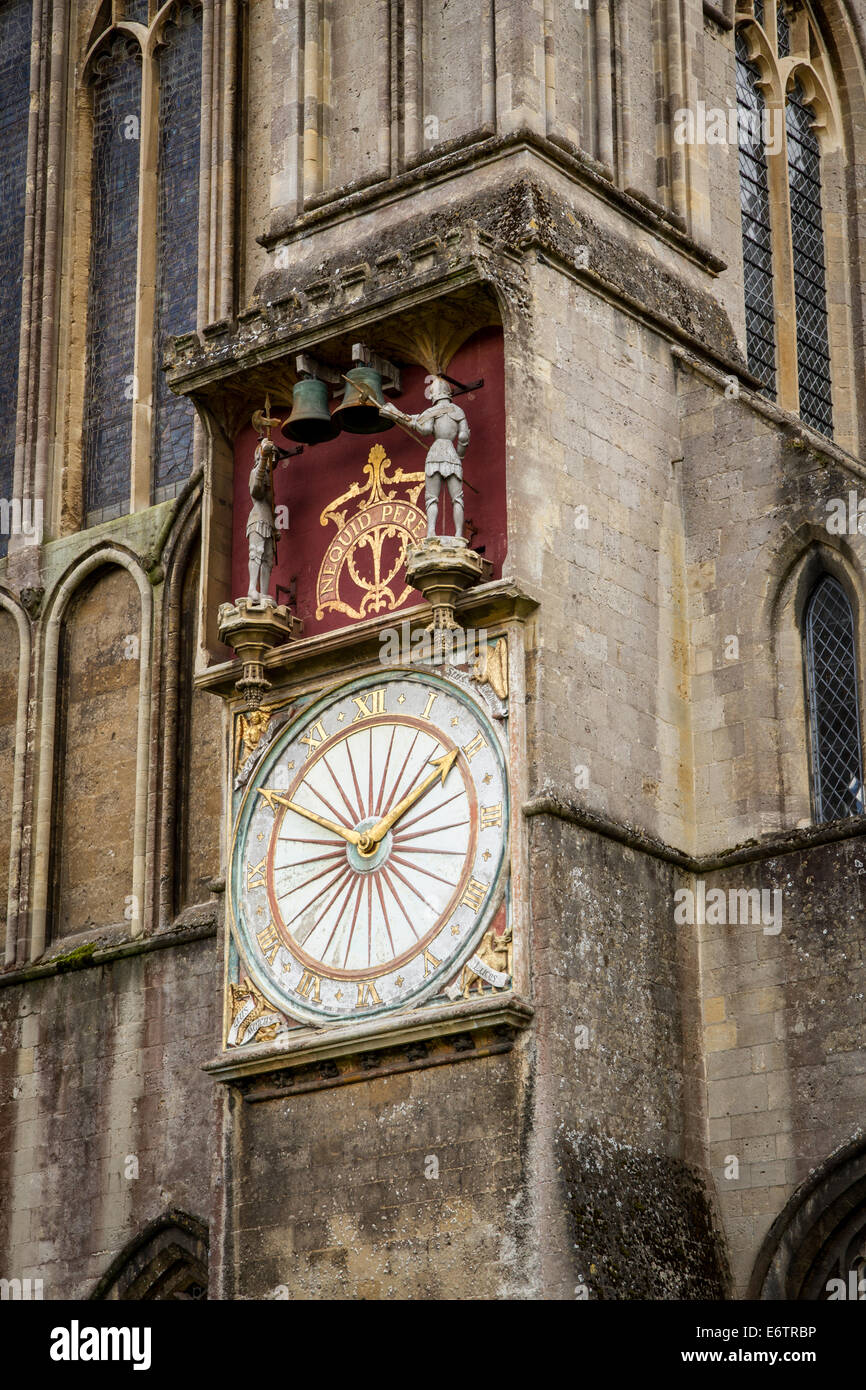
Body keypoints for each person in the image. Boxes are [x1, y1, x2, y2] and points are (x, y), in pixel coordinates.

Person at [379, 374, 469, 538]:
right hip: (452, 455)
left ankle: (431, 532)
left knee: (431, 498)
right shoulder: (458, 411)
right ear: (448, 393)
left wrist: (402, 418)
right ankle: (458, 535)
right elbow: (463, 438)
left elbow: (425, 429)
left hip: (435, 454)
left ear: (434, 393)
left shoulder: (431, 411)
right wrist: (460, 458)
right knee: (457, 498)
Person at [247, 436, 280, 601]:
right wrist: (263, 460)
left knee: (267, 559)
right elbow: (256, 491)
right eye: (269, 455)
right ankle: (252, 588)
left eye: (274, 456)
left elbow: (271, 508)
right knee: (256, 553)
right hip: (257, 519)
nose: (272, 459)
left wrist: (275, 528)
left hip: (267, 520)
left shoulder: (270, 478)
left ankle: (264, 592)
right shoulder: (256, 472)